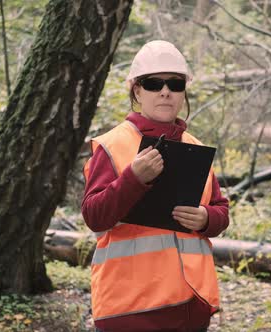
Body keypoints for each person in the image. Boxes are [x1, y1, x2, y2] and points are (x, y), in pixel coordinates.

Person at [81, 40, 229, 332]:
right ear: (137, 90)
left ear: (183, 91)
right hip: (130, 310)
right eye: (153, 83)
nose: (165, 91)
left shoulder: (195, 148)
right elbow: (94, 216)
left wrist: (206, 218)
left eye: (174, 84)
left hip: (190, 306)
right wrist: (133, 179)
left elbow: (220, 210)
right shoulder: (112, 145)